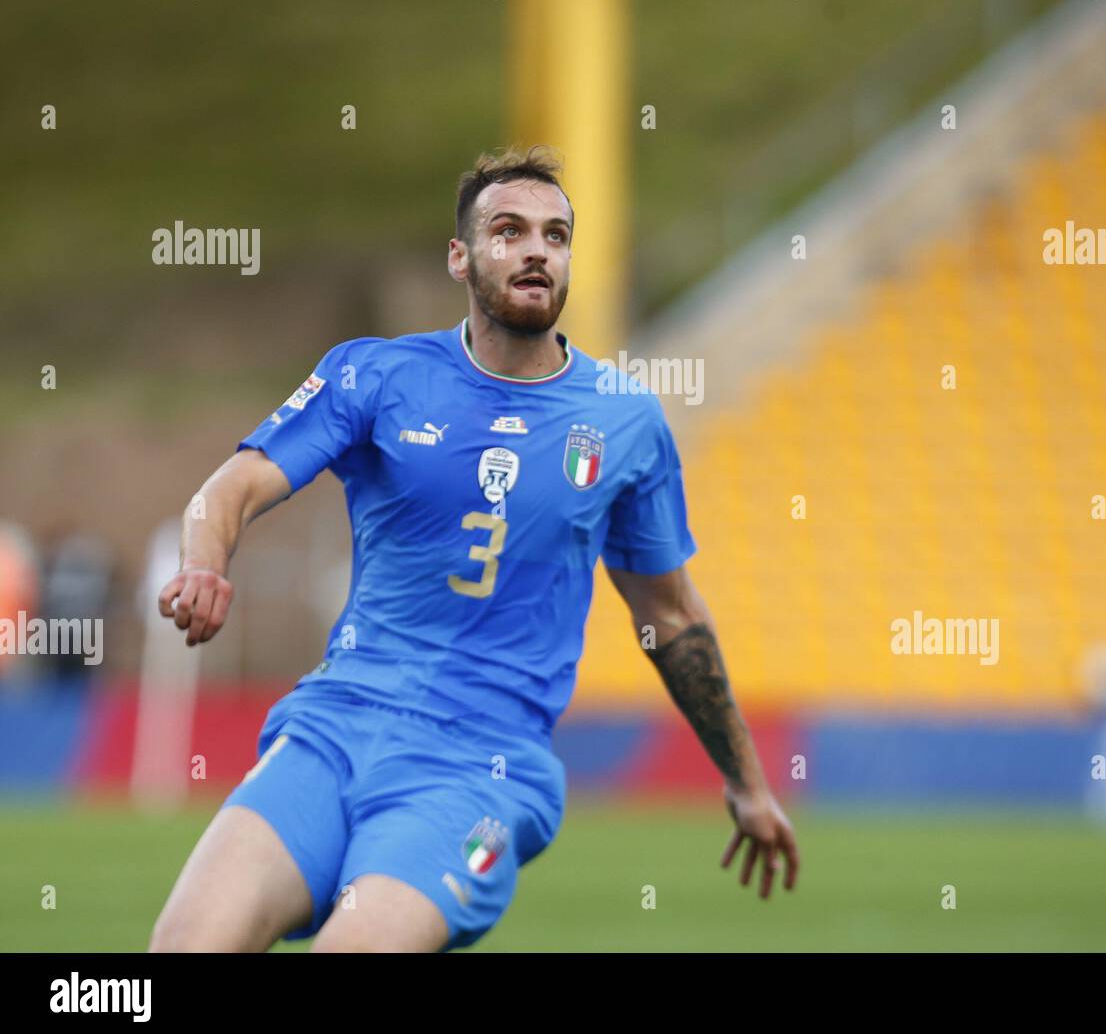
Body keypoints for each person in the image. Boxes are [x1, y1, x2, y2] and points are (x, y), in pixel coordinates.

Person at [150, 146, 799, 952]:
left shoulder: (625, 421)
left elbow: (670, 617)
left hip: (474, 768)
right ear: (460, 257)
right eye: (509, 230)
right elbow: (233, 486)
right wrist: (205, 562)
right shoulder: (375, 375)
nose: (536, 249)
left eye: (556, 236)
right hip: (333, 728)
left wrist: (745, 780)